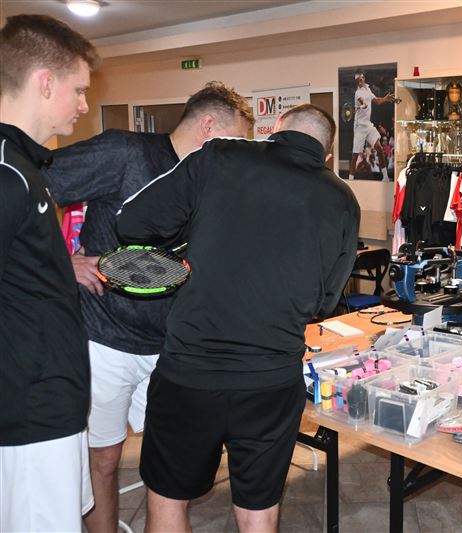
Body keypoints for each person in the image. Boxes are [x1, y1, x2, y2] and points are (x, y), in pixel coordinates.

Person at [116, 104, 360, 532]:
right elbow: (325, 301)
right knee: (258, 510)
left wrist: (188, 241)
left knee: (169, 498)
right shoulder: (342, 199)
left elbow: (132, 223)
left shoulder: (219, 156)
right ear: (326, 154)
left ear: (275, 129)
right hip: (271, 381)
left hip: (190, 374)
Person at [42, 80, 254, 533]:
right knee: (104, 459)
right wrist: (61, 261)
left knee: (171, 463)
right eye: (236, 139)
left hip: (170, 345)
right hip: (105, 338)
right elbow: (30, 190)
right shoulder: (125, 152)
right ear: (209, 126)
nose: (239, 152)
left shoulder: (209, 180)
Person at [0, 14, 99, 531]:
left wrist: (63, 266)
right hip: (29, 410)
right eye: (78, 90)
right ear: (44, 82)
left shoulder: (26, 166)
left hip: (52, 400)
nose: (84, 105)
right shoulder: (6, 172)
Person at [348, 70, 394, 181]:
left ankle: (385, 177)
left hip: (368, 126)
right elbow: (363, 103)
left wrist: (385, 99)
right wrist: (363, 105)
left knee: (380, 149)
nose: (360, 81)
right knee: (355, 155)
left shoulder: (368, 89)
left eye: (361, 79)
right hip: (359, 127)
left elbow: (377, 101)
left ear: (364, 78)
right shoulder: (358, 93)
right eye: (358, 80)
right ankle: (350, 180)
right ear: (356, 81)